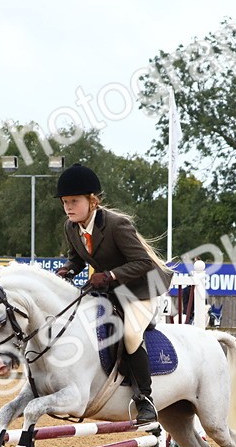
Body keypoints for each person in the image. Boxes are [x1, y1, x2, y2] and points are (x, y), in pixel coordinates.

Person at [53, 163, 173, 426]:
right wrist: (67, 270)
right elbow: (77, 259)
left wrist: (108, 276)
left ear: (92, 201)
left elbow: (142, 262)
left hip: (142, 288)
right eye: (65, 202)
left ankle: (145, 400)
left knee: (130, 335)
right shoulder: (71, 227)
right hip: (111, 289)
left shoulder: (118, 225)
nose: (68, 207)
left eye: (74, 201)